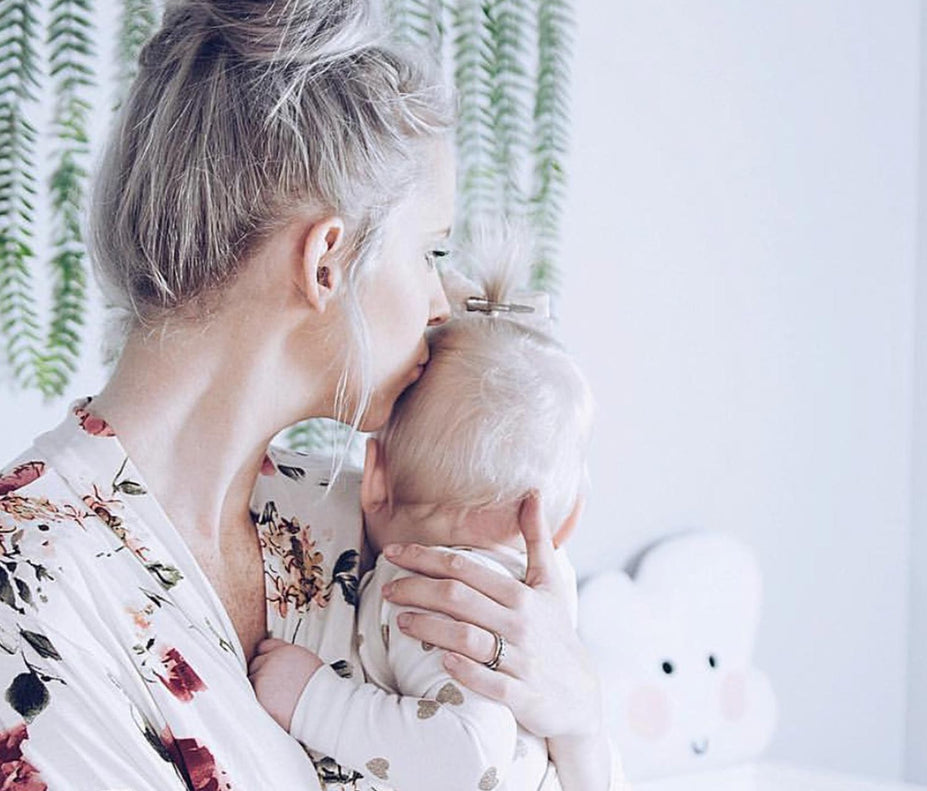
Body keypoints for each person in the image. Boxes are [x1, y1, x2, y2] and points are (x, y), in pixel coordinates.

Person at [0, 1, 624, 789]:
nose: (441, 302)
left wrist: (580, 718)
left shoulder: (360, 518)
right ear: (327, 259)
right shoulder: (30, 588)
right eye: (429, 249)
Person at [249, 225, 594, 790]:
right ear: (568, 521)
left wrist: (316, 702)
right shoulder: (544, 607)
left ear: (374, 478)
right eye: (425, 253)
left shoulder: (436, 594)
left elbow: (466, 753)